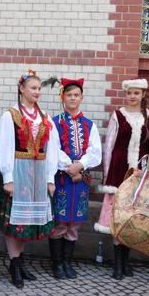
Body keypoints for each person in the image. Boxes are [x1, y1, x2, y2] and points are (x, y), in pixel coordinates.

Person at [0, 69, 65, 289]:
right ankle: (14, 265)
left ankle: (20, 263)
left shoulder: (45, 117)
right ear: (22, 89)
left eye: (39, 88)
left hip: (38, 176)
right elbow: (4, 146)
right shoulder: (10, 115)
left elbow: (52, 149)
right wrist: (8, 178)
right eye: (33, 88)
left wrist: (50, 178)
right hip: (18, 173)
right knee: (16, 222)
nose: (37, 92)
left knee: (27, 222)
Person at [94, 78, 149, 280]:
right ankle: (117, 263)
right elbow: (109, 146)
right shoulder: (118, 115)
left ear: (143, 94)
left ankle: (126, 260)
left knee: (132, 216)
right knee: (118, 214)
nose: (132, 96)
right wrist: (107, 173)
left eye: (136, 93)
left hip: (140, 172)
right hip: (119, 170)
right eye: (129, 93)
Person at [50, 77, 102, 279]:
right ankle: (57, 264)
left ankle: (67, 263)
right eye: (69, 94)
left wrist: (80, 165)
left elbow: (95, 152)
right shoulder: (54, 123)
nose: (73, 98)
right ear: (62, 97)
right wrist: (70, 167)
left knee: (74, 223)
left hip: (80, 179)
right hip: (62, 179)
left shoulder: (89, 125)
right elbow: (53, 149)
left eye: (76, 95)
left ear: (81, 97)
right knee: (60, 221)